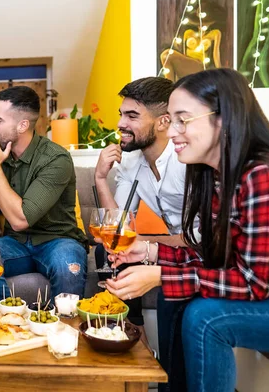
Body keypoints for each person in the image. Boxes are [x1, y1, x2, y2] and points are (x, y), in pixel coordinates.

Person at [106, 68, 269, 392]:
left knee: (205, 316)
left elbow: (254, 283)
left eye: (182, 119)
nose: (172, 130)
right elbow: (213, 254)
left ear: (222, 119)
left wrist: (161, 274)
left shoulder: (264, 174)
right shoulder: (216, 175)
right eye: (170, 119)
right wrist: (149, 252)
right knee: (189, 301)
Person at [93, 77, 197, 341]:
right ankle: (128, 329)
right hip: (176, 244)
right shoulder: (132, 162)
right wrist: (100, 179)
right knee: (107, 248)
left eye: (132, 116)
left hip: (199, 247)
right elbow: (118, 228)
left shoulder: (187, 161)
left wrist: (144, 242)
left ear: (163, 121)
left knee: (131, 248)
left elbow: (199, 239)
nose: (120, 124)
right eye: (121, 114)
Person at [0, 86, 88, 307]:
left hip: (57, 240)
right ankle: (10, 323)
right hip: (16, 243)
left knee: (66, 264)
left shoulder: (56, 159)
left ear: (22, 125)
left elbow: (20, 220)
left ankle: (65, 334)